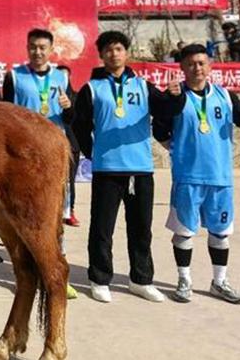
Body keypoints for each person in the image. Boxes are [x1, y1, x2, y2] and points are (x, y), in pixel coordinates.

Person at [156, 44, 240, 304]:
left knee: (221, 233)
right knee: (184, 232)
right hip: (188, 178)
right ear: (182, 67)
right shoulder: (176, 97)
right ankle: (184, 280)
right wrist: (179, 152)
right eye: (191, 64)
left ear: (209, 66)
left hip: (220, 179)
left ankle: (219, 282)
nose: (197, 68)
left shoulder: (225, 96)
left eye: (201, 63)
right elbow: (159, 131)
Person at [73, 31, 168, 304]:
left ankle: (141, 280)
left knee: (141, 228)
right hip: (107, 170)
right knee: (102, 229)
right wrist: (93, 153)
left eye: (118, 49)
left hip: (140, 169)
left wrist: (174, 97)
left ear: (126, 53)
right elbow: (79, 125)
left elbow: (166, 110)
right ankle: (99, 279)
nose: (114, 54)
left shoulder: (144, 86)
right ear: (101, 55)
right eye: (108, 50)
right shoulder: (92, 89)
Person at [2, 29, 79, 300]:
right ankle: (26, 275)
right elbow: (4, 115)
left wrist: (68, 107)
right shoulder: (14, 77)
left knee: (54, 215)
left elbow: (72, 118)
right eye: (33, 47)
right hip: (23, 157)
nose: (37, 52)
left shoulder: (62, 77)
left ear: (51, 49)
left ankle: (57, 275)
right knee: (24, 216)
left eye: (42, 47)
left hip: (53, 155)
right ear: (27, 48)